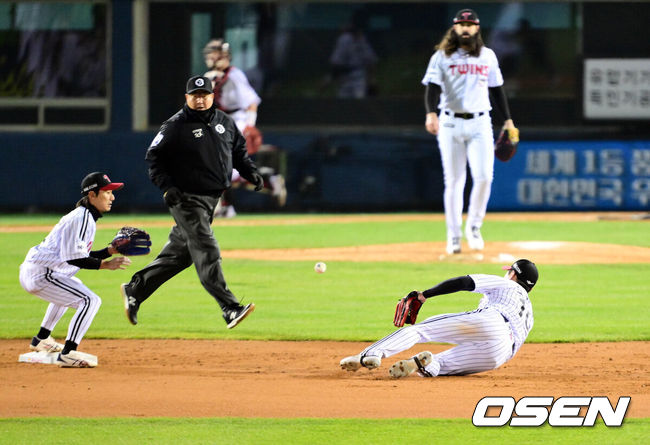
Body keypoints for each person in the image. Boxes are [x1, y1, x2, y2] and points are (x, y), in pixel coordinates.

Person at [120, 75, 260, 329]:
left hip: (211, 201)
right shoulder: (175, 126)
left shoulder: (224, 122)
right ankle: (229, 307)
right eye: (194, 95)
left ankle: (135, 289)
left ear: (211, 97)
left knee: (180, 256)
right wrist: (167, 187)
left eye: (204, 95)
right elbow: (154, 159)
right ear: (187, 98)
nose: (199, 99)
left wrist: (251, 172)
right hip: (186, 199)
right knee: (207, 248)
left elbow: (238, 151)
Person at [340, 259, 538, 378]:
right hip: (499, 354)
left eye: (508, 271)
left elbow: (464, 282)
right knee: (441, 366)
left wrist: (424, 295)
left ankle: (370, 354)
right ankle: (423, 364)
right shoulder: (529, 313)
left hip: (493, 322)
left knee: (420, 330)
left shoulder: (508, 285)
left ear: (513, 275)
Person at [422, 9, 517, 255]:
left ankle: (474, 227)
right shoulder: (442, 56)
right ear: (455, 28)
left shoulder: (488, 56)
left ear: (476, 28)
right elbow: (432, 87)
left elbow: (497, 90)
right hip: (450, 123)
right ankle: (453, 236)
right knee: (454, 181)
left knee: (484, 176)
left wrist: (507, 120)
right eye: (461, 24)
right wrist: (431, 113)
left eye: (470, 24)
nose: (466, 28)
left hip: (480, 122)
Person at [19, 172, 131, 368]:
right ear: (92, 195)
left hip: (42, 271)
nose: (112, 197)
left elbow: (77, 253)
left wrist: (109, 251)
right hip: (42, 273)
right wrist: (104, 265)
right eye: (107, 192)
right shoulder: (82, 218)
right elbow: (75, 258)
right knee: (90, 300)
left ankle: (41, 339)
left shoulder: (84, 216)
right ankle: (68, 353)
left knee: (73, 285)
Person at [203, 38, 287, 218]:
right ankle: (268, 182)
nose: (210, 56)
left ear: (224, 55)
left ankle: (225, 205)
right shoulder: (211, 76)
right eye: (210, 52)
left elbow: (252, 102)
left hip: (237, 122)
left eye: (214, 52)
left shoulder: (234, 75)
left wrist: (249, 125)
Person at [328, 9, 378, 98]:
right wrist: (332, 76)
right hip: (345, 77)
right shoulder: (345, 39)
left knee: (360, 102)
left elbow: (371, 61)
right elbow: (336, 62)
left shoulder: (364, 39)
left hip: (359, 76)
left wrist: (371, 80)